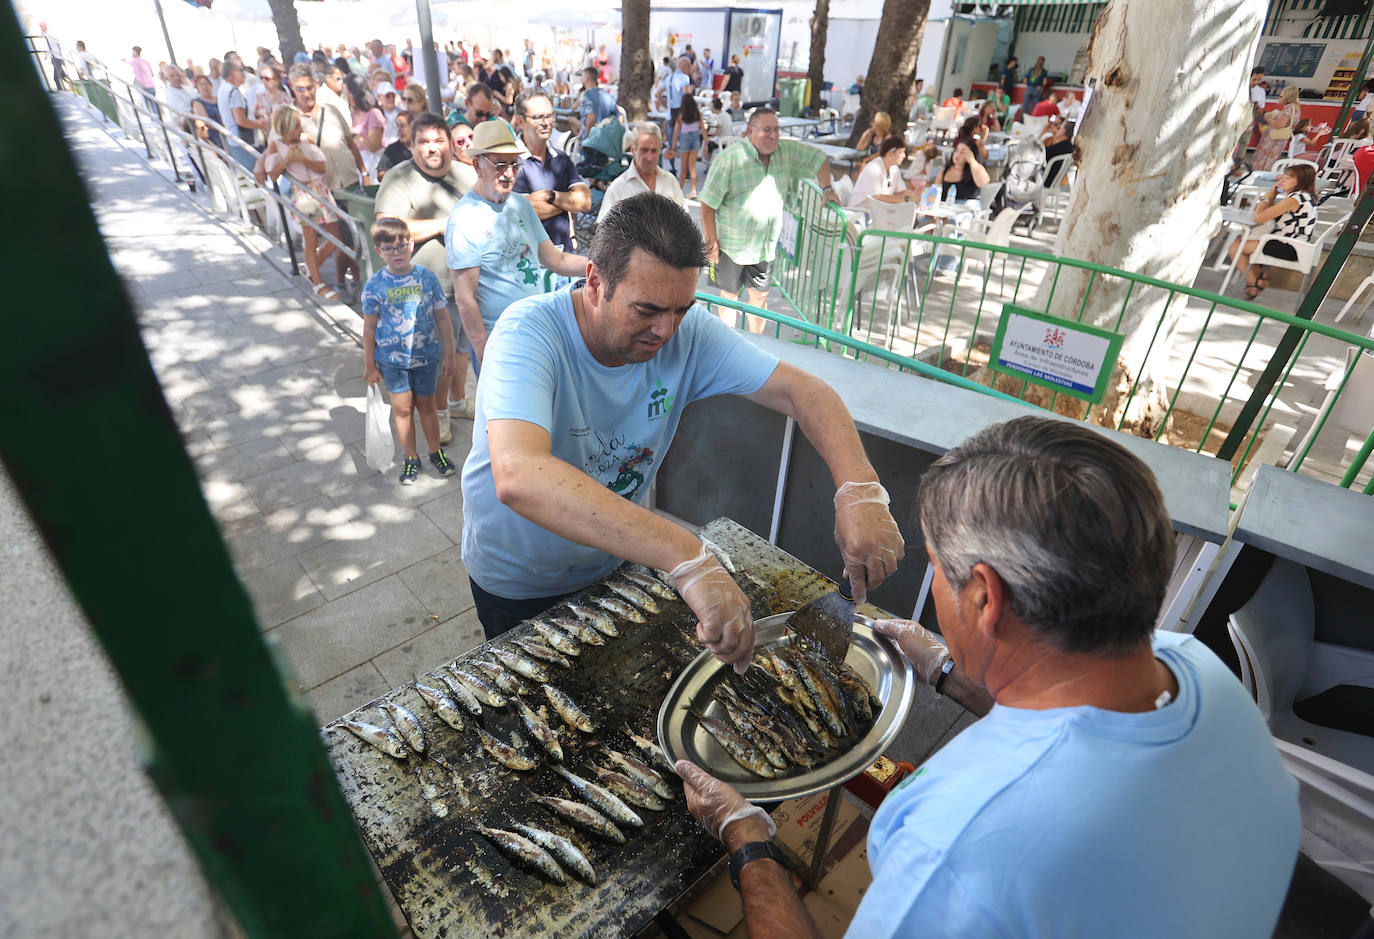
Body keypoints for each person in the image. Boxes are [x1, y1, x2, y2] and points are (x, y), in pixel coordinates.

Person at [681, 415, 1299, 937]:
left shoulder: (957, 847)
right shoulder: (1194, 667)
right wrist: (946, 670)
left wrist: (749, 841)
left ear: (984, 598)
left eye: (943, 576)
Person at [460, 192, 904, 651]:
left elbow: (805, 391)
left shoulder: (686, 333)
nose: (665, 331)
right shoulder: (527, 333)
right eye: (646, 310)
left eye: (681, 309)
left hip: (614, 559)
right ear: (594, 283)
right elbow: (519, 475)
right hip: (519, 580)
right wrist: (687, 555)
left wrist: (860, 490)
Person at [446, 120, 589, 374]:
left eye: (514, 163)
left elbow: (554, 259)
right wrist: (485, 354)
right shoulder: (464, 218)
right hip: (500, 341)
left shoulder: (520, 204)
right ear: (478, 164)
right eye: (500, 164)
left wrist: (596, 267)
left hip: (536, 330)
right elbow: (465, 299)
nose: (510, 173)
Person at [375, 111, 478, 435]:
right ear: (412, 146)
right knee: (440, 360)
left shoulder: (468, 175)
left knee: (462, 349)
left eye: (438, 140)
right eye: (423, 142)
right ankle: (439, 411)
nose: (432, 148)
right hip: (424, 292)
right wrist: (442, 225)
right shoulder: (398, 178)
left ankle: (458, 401)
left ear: (450, 142)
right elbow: (383, 229)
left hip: (468, 285)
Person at [699, 107, 836, 332]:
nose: (772, 135)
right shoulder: (729, 159)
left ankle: (755, 344)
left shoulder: (785, 152)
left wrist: (827, 188)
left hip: (764, 248)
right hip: (732, 246)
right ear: (750, 131)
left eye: (776, 130)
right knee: (729, 297)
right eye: (766, 130)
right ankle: (727, 345)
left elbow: (818, 158)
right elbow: (707, 205)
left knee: (760, 298)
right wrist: (711, 241)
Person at [363, 217, 458, 486]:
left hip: (427, 358)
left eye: (401, 246)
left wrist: (449, 354)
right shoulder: (374, 286)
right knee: (402, 410)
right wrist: (369, 364)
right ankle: (410, 457)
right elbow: (369, 329)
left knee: (427, 406)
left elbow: (442, 318)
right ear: (378, 251)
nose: (397, 253)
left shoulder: (427, 279)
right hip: (392, 363)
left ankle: (435, 452)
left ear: (411, 244)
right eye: (389, 248)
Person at [263, 105, 344, 300]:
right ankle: (318, 284)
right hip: (303, 194)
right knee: (311, 239)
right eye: (296, 126)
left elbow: (322, 167)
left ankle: (311, 267)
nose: (301, 130)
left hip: (320, 190)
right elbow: (272, 175)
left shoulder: (306, 140)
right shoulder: (275, 145)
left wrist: (302, 158)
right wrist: (287, 160)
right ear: (285, 127)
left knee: (336, 238)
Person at [513, 91, 592, 252]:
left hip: (565, 255)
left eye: (550, 116)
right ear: (521, 121)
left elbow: (585, 201)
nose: (546, 122)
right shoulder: (511, 161)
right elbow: (524, 213)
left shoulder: (561, 157)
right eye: (538, 117)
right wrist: (568, 204)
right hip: (530, 260)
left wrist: (550, 196)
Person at [1228, 162, 1318, 302]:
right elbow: (1271, 214)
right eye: (1284, 176)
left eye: (1288, 177)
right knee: (1241, 242)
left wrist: (1267, 197)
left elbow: (1258, 217)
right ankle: (1258, 279)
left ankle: (1254, 283)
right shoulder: (1304, 196)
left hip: (1290, 247)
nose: (1282, 180)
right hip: (1294, 243)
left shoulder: (1294, 199)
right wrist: (1272, 196)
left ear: (1300, 181)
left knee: (1236, 247)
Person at [599, 123, 685, 218]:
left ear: (660, 150)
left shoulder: (670, 181)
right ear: (633, 149)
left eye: (654, 151)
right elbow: (604, 230)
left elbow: (684, 223)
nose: (649, 157)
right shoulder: (618, 188)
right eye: (644, 150)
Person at [849, 138, 913, 207]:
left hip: (879, 210)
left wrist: (913, 196)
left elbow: (902, 191)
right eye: (901, 152)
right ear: (889, 154)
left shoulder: (894, 168)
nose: (904, 156)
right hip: (861, 212)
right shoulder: (873, 169)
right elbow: (877, 197)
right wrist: (905, 199)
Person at [937, 118, 990, 202]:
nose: (958, 155)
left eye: (963, 152)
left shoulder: (976, 167)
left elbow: (983, 183)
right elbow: (935, 189)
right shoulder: (946, 169)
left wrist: (972, 161)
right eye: (957, 151)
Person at [344, 74, 386, 180]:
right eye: (346, 94)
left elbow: (373, 146)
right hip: (360, 168)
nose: (349, 97)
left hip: (374, 168)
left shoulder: (373, 113)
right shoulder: (352, 115)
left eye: (351, 93)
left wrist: (352, 134)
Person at [1252, 85, 1301, 172]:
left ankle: (1257, 175)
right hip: (1279, 140)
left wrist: (1266, 118)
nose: (1279, 98)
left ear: (1288, 97)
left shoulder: (1289, 108)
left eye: (1281, 96)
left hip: (1273, 141)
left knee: (1264, 161)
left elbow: (1278, 125)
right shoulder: (1296, 108)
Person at [669, 94, 703, 198]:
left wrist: (673, 146)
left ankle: (680, 190)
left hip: (685, 140)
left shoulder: (681, 115)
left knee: (683, 167)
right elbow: (703, 128)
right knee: (692, 166)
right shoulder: (698, 114)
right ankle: (693, 190)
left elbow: (675, 132)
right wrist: (705, 141)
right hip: (695, 139)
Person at [666, 56, 695, 172]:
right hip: (681, 113)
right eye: (689, 66)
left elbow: (658, 94)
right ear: (685, 66)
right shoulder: (685, 78)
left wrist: (664, 104)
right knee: (685, 142)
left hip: (670, 113)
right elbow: (686, 96)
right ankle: (686, 170)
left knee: (671, 142)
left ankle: (672, 168)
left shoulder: (668, 78)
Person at [578, 67, 618, 140]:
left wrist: (587, 137)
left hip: (592, 141)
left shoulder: (585, 95)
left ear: (586, 78)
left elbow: (591, 117)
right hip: (606, 140)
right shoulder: (607, 95)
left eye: (582, 76)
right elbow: (619, 115)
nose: (581, 79)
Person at [190, 74, 225, 152]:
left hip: (226, 131)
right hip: (213, 137)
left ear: (211, 85)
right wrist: (222, 128)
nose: (204, 87)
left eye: (206, 83)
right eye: (201, 84)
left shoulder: (218, 98)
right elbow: (205, 122)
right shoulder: (197, 102)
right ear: (197, 88)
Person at [377, 109, 413, 178]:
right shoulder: (391, 149)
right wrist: (397, 172)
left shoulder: (421, 148)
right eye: (397, 126)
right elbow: (380, 175)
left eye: (402, 126)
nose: (399, 130)